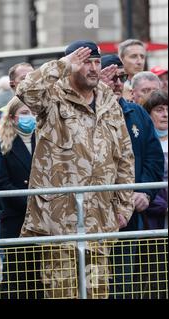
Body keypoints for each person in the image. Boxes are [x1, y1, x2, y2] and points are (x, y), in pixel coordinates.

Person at [16, 40, 135, 299]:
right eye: (85, 62)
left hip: (101, 219)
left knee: (97, 293)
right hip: (60, 220)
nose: (93, 68)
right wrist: (63, 64)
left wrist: (123, 208)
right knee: (62, 293)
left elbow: (124, 156)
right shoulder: (53, 95)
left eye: (96, 61)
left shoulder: (108, 99)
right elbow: (26, 90)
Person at [100, 55, 164, 298]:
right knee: (93, 281)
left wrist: (144, 192)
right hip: (93, 214)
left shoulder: (136, 112)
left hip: (128, 216)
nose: (117, 83)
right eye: (111, 77)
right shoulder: (83, 113)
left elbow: (153, 158)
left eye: (122, 77)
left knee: (123, 283)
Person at [0, 101, 37, 298]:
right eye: (24, 112)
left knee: (39, 279)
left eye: (32, 112)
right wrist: (31, 202)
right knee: (17, 279)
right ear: (12, 117)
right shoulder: (3, 143)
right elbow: (2, 183)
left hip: (43, 221)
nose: (30, 116)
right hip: (16, 220)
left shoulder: (44, 140)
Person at [143, 90, 168, 230]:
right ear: (147, 114)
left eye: (168, 110)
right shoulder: (143, 143)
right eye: (159, 110)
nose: (165, 114)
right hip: (152, 217)